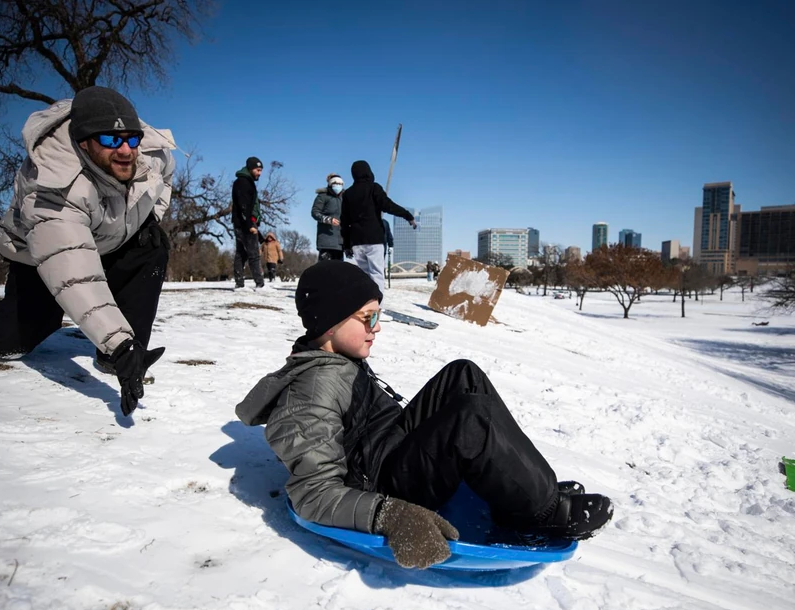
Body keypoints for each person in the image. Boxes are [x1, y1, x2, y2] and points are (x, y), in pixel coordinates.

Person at [236, 262, 613, 569]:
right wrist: (389, 515)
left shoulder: (337, 358)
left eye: (377, 316)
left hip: (388, 448)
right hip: (384, 484)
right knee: (470, 420)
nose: (377, 327)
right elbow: (314, 494)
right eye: (367, 318)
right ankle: (543, 512)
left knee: (462, 374)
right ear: (331, 324)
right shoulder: (310, 392)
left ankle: (526, 494)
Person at [0, 86, 174, 417]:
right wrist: (117, 341)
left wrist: (147, 220)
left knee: (152, 244)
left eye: (131, 138)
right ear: (83, 141)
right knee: (13, 341)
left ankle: (119, 355)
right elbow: (73, 270)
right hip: (39, 255)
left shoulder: (150, 152)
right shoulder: (52, 187)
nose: (125, 150)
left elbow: (163, 177)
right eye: (109, 141)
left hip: (104, 241)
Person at [340, 160, 416, 293]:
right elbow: (388, 205)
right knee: (376, 274)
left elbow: (344, 221)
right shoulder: (374, 188)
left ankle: (366, 305)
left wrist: (346, 244)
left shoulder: (348, 194)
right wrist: (407, 215)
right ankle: (376, 307)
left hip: (357, 241)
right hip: (374, 239)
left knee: (363, 275)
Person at [232, 156, 265, 289]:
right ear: (251, 169)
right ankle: (259, 283)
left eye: (261, 170)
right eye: (258, 170)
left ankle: (239, 283)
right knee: (253, 254)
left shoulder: (246, 182)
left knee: (241, 253)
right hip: (245, 223)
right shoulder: (243, 182)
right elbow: (244, 205)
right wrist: (250, 224)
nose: (260, 173)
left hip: (242, 223)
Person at [311, 173, 344, 261]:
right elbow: (315, 212)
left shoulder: (344, 197)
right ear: (330, 184)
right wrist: (327, 219)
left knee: (338, 271)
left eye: (340, 184)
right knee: (325, 271)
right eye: (335, 183)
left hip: (339, 242)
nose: (338, 186)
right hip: (326, 241)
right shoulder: (322, 196)